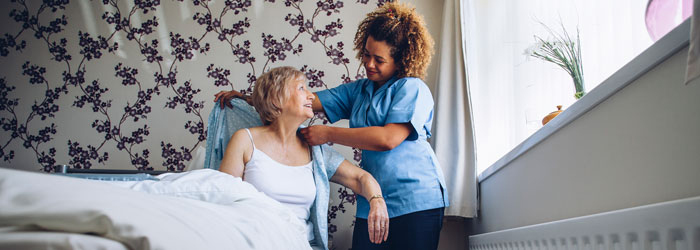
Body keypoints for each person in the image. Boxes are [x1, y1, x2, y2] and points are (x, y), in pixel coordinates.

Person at [215, 2, 448, 249]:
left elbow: (387, 139)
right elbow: (301, 100)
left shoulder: (412, 89)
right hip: (371, 198)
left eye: (379, 59)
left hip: (416, 198)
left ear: (400, 60)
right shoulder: (359, 91)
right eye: (366, 54)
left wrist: (327, 134)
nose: (369, 64)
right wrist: (252, 98)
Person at [218, 66, 389, 250]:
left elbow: (360, 178)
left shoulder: (315, 151)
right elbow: (223, 199)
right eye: (302, 88)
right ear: (276, 99)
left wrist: (376, 200)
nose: (311, 96)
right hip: (254, 242)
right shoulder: (245, 140)